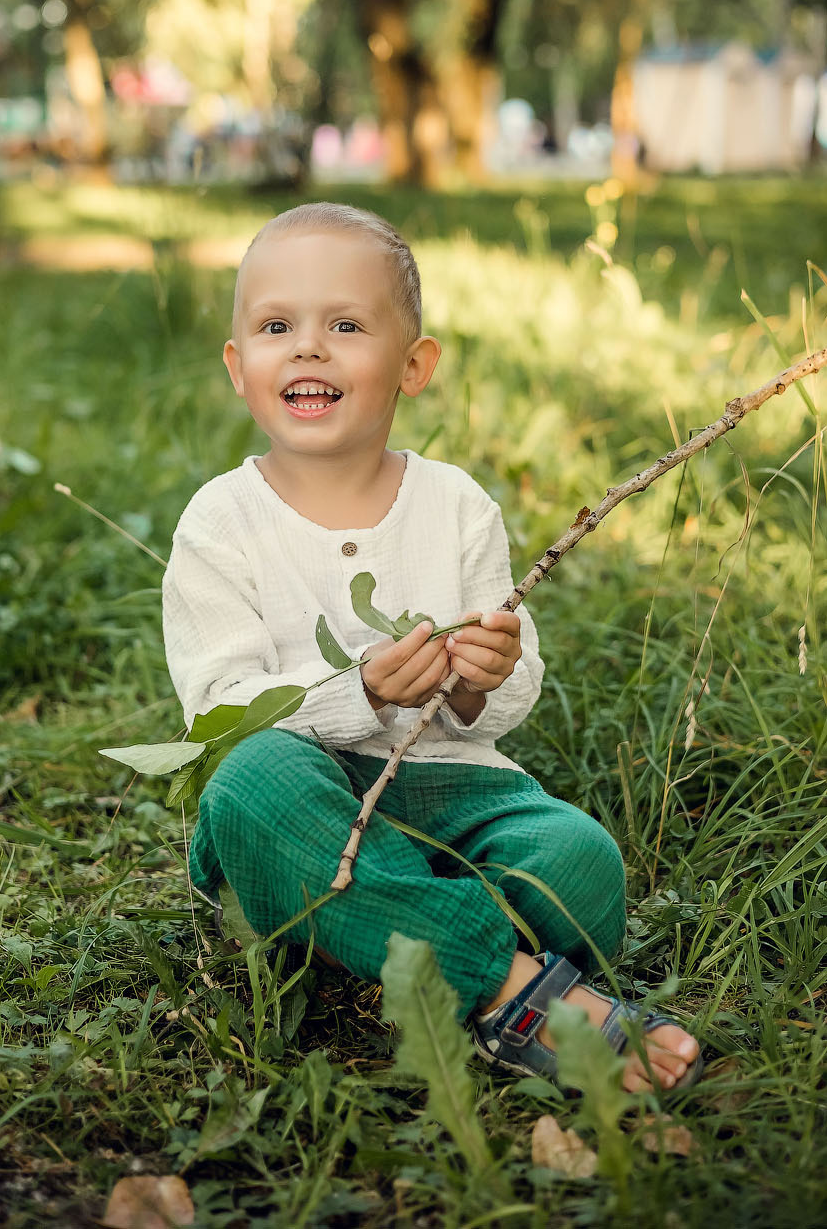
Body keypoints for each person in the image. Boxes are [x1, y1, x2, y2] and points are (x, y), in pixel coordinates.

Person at [162, 202, 702, 1093]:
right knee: (250, 782)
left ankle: (363, 934)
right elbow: (218, 709)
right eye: (275, 326)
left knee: (581, 865)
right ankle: (514, 990)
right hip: (302, 795)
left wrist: (482, 683)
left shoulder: (456, 505)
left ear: (414, 367)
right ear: (237, 367)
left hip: (453, 797)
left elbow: (512, 681)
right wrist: (359, 696)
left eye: (345, 324)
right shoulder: (221, 521)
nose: (308, 347)